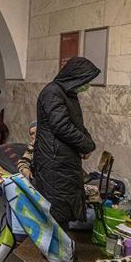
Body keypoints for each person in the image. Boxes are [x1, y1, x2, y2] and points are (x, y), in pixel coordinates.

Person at [33, 57, 100, 226]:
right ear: (76, 77)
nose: (87, 85)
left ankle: (61, 248)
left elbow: (76, 124)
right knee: (57, 210)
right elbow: (61, 126)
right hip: (54, 162)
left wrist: (88, 144)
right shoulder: (53, 92)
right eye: (86, 80)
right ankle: (54, 251)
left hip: (63, 159)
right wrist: (86, 145)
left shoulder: (67, 93)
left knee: (64, 208)